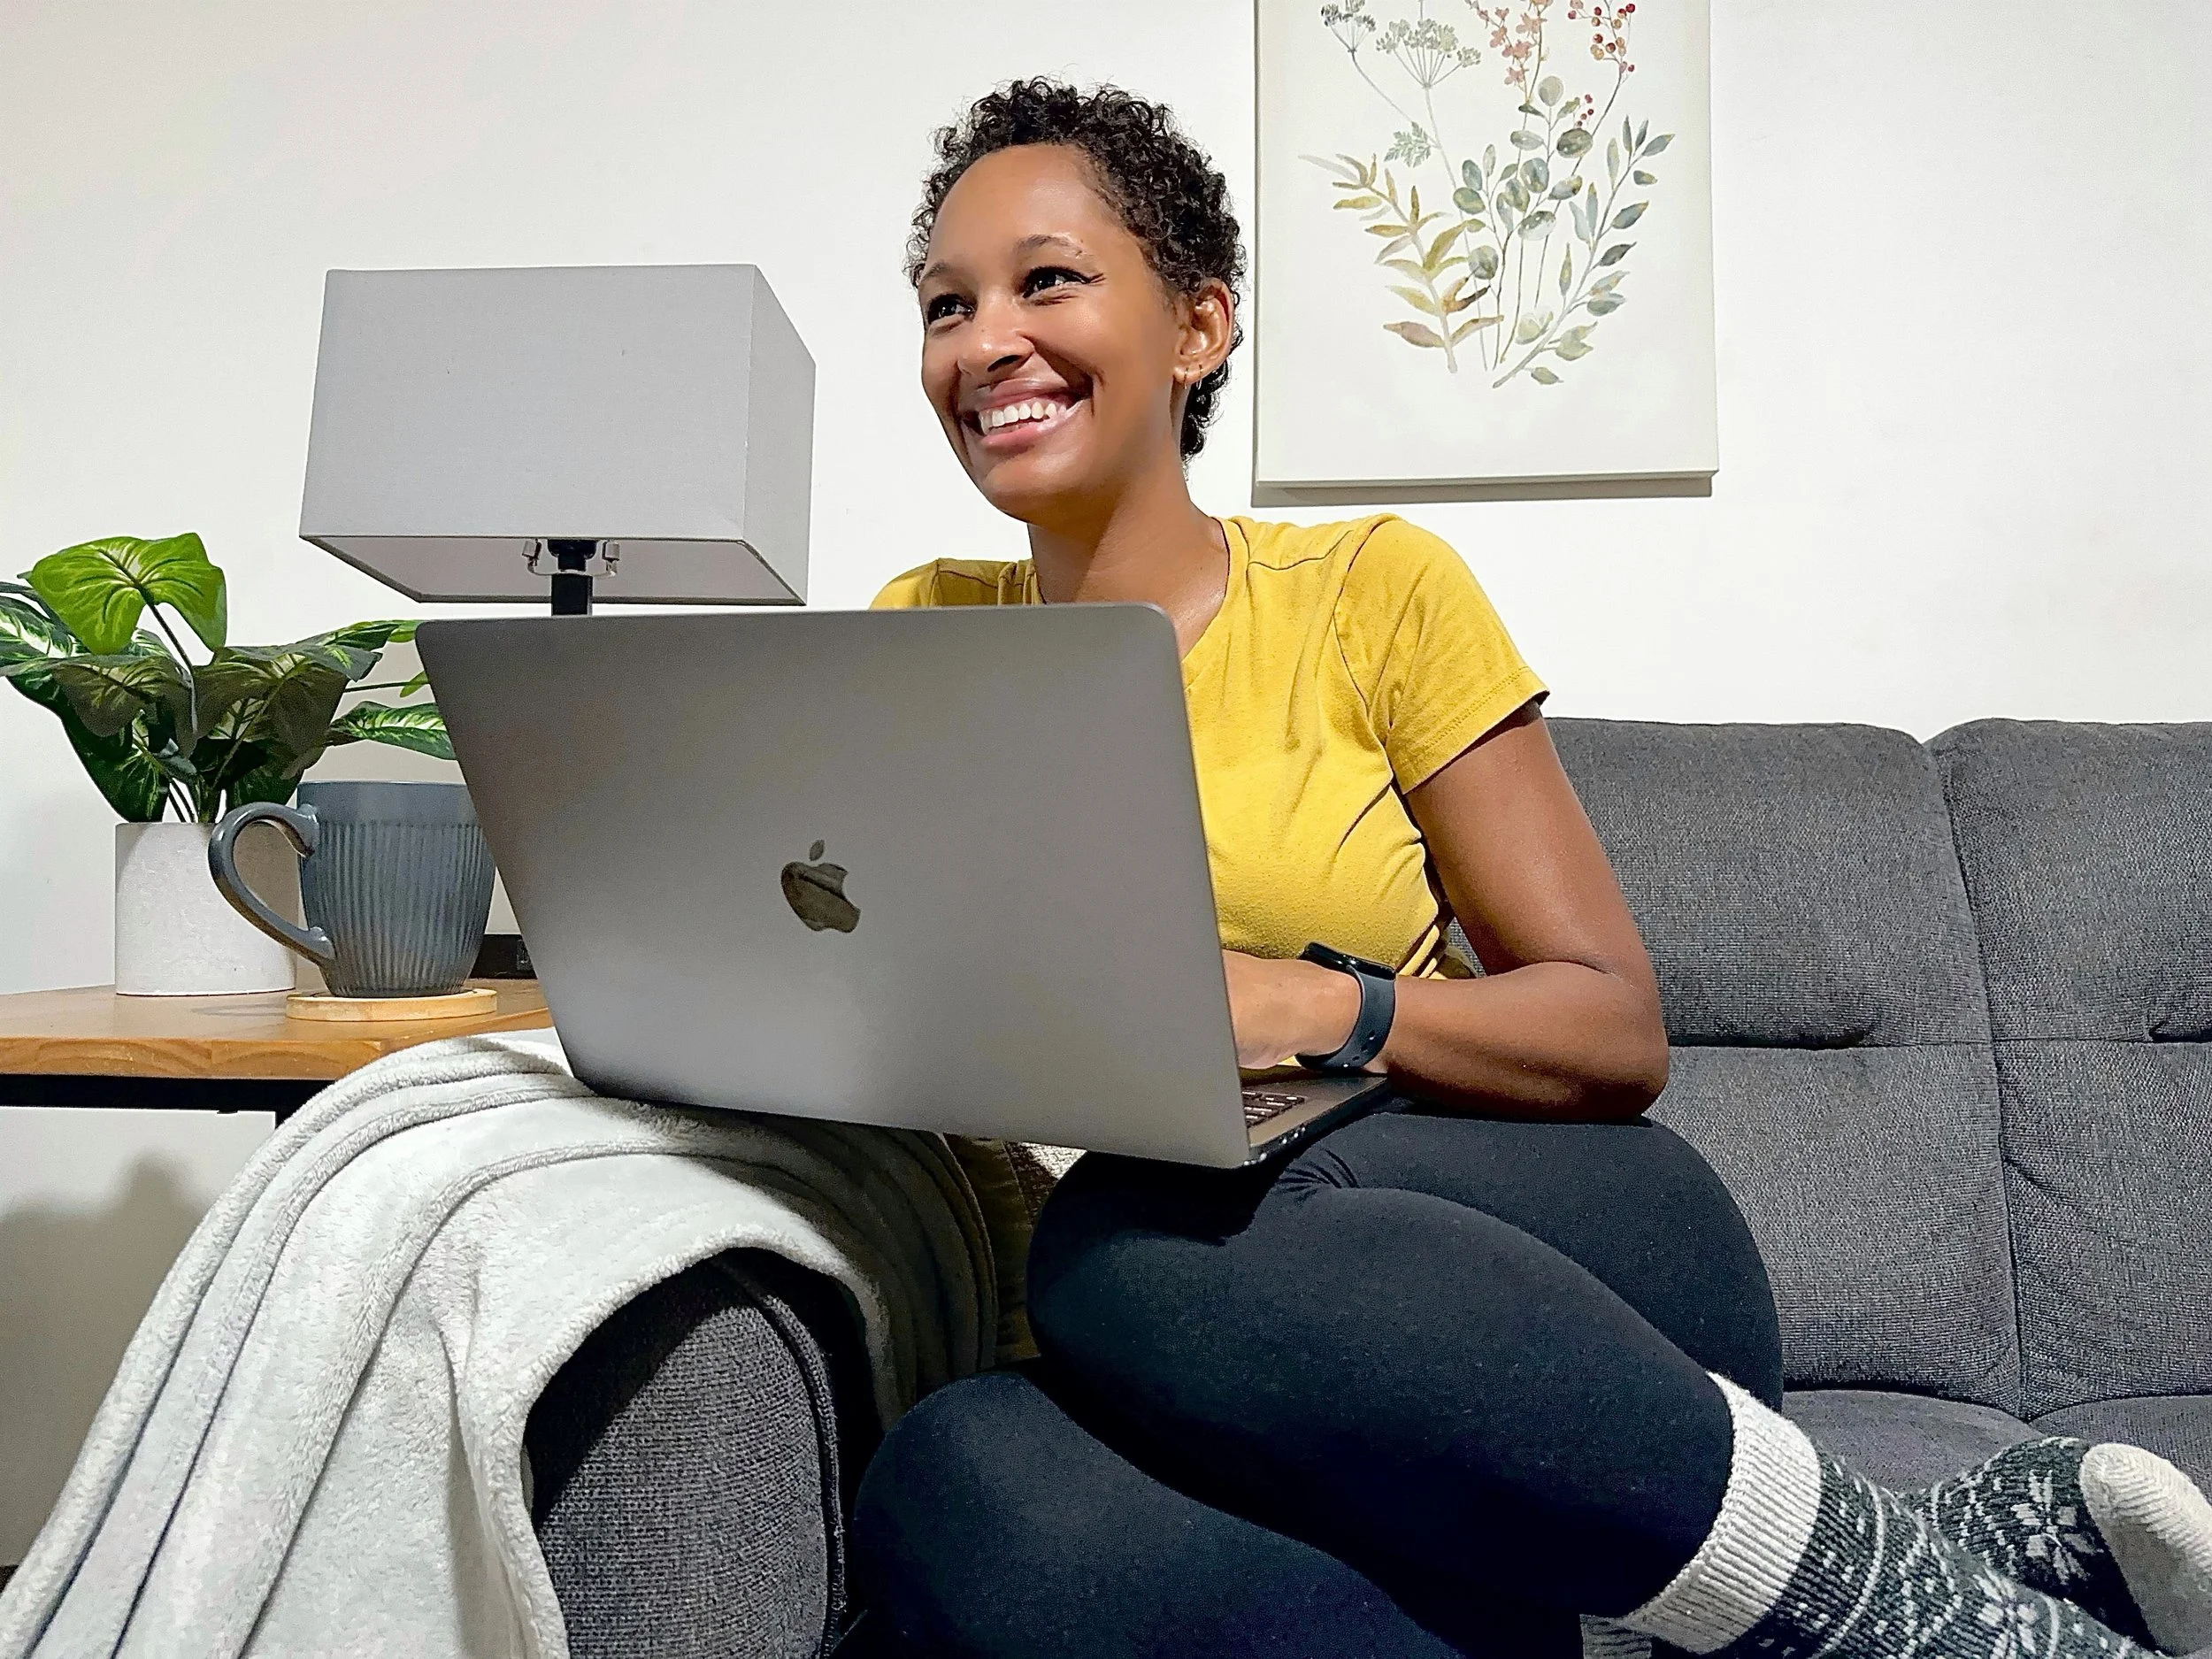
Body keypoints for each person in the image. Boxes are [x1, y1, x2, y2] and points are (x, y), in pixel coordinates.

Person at [848, 79, 2212, 1659]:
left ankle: (1878, 1595)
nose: (987, 338)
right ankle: (1856, 1588)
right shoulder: (919, 635)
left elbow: (1612, 1028)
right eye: (948, 304)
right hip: (1186, 1355)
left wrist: (1315, 1002)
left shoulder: (1374, 589)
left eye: (1049, 280)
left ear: (1199, 325)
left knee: (1127, 1237)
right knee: (955, 1492)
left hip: (1531, 1245)